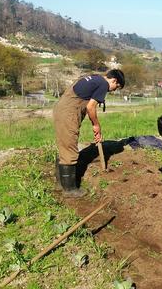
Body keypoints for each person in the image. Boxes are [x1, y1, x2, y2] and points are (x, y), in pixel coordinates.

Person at [53, 69, 125, 197]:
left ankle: (60, 184)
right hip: (68, 113)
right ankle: (69, 190)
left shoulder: (94, 78)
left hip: (61, 109)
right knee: (69, 148)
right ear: (114, 80)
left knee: (64, 146)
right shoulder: (103, 84)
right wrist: (96, 125)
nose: (113, 90)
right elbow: (90, 107)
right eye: (116, 87)